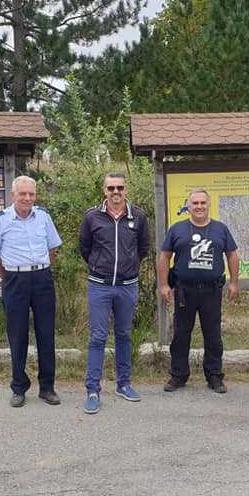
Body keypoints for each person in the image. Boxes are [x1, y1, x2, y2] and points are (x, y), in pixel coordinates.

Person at [0, 175, 62, 408]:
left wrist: (40, 270)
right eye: (23, 194)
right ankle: (19, 387)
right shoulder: (0, 220)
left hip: (41, 279)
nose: (27, 198)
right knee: (17, 335)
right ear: (13, 195)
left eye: (31, 194)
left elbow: (52, 249)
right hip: (15, 280)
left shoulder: (44, 217)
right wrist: (8, 277)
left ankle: (47, 387)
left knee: (46, 334)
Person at [78, 172, 150, 414]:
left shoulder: (138, 216)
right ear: (104, 190)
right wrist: (101, 267)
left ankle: (124, 383)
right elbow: (85, 249)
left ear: (126, 190)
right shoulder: (92, 217)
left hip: (127, 285)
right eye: (111, 188)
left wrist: (128, 268)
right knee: (97, 337)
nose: (116, 192)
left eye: (120, 188)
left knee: (124, 334)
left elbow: (143, 248)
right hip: (99, 285)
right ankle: (92, 390)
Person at [157, 189, 240, 394]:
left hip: (211, 291)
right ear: (189, 206)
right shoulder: (177, 229)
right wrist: (164, 285)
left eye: (203, 202)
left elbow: (233, 255)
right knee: (181, 335)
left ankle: (214, 376)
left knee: (213, 335)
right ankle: (178, 375)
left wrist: (234, 283)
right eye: (195, 203)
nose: (199, 206)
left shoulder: (220, 229)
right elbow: (164, 257)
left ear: (208, 204)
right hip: (184, 291)